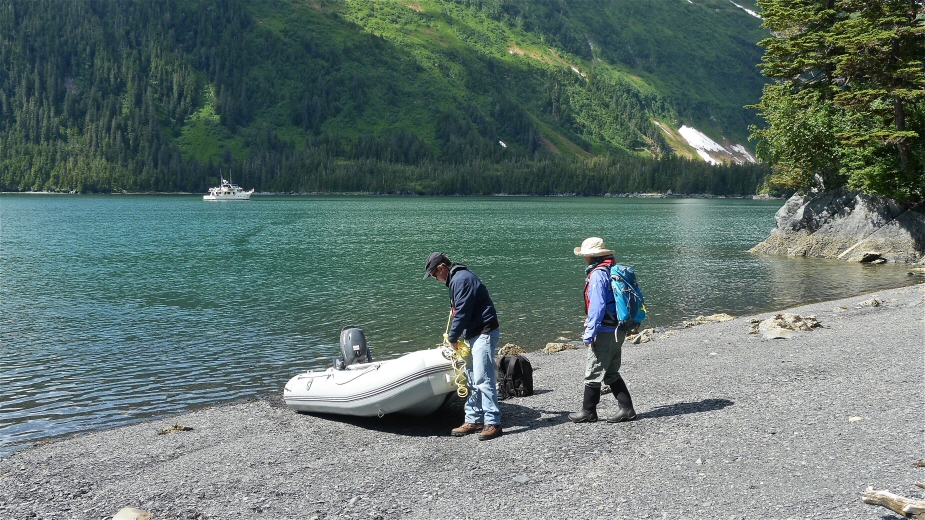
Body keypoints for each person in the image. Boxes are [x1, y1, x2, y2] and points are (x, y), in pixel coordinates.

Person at [424, 252, 502, 440]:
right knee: (471, 377)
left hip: (484, 332)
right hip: (473, 334)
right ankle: (474, 419)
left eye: (435, 274)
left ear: (442, 267)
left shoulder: (462, 280)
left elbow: (462, 313)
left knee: (483, 379)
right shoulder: (457, 279)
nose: (436, 278)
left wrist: (452, 337)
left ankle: (493, 422)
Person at [569, 237, 637, 424]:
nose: (583, 258)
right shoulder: (611, 269)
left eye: (584, 255)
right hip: (619, 328)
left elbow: (597, 307)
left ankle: (588, 411)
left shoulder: (598, 274)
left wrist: (589, 333)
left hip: (605, 331)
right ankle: (626, 409)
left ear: (590, 256)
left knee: (593, 371)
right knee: (611, 372)